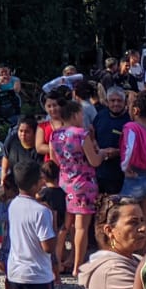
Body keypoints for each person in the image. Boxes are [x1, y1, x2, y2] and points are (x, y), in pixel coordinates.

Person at [49, 97, 102, 274]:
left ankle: (60, 261)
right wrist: (103, 154)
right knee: (81, 227)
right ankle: (78, 266)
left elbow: (53, 158)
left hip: (65, 181)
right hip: (83, 183)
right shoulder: (81, 134)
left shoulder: (55, 134)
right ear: (75, 114)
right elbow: (94, 161)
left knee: (65, 226)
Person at [91, 86, 130, 196]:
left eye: (119, 101)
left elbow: (135, 146)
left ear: (124, 102)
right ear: (107, 102)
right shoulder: (100, 116)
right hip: (99, 170)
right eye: (112, 101)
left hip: (120, 173)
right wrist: (95, 145)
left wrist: (118, 151)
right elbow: (92, 133)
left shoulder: (130, 120)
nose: (116, 104)